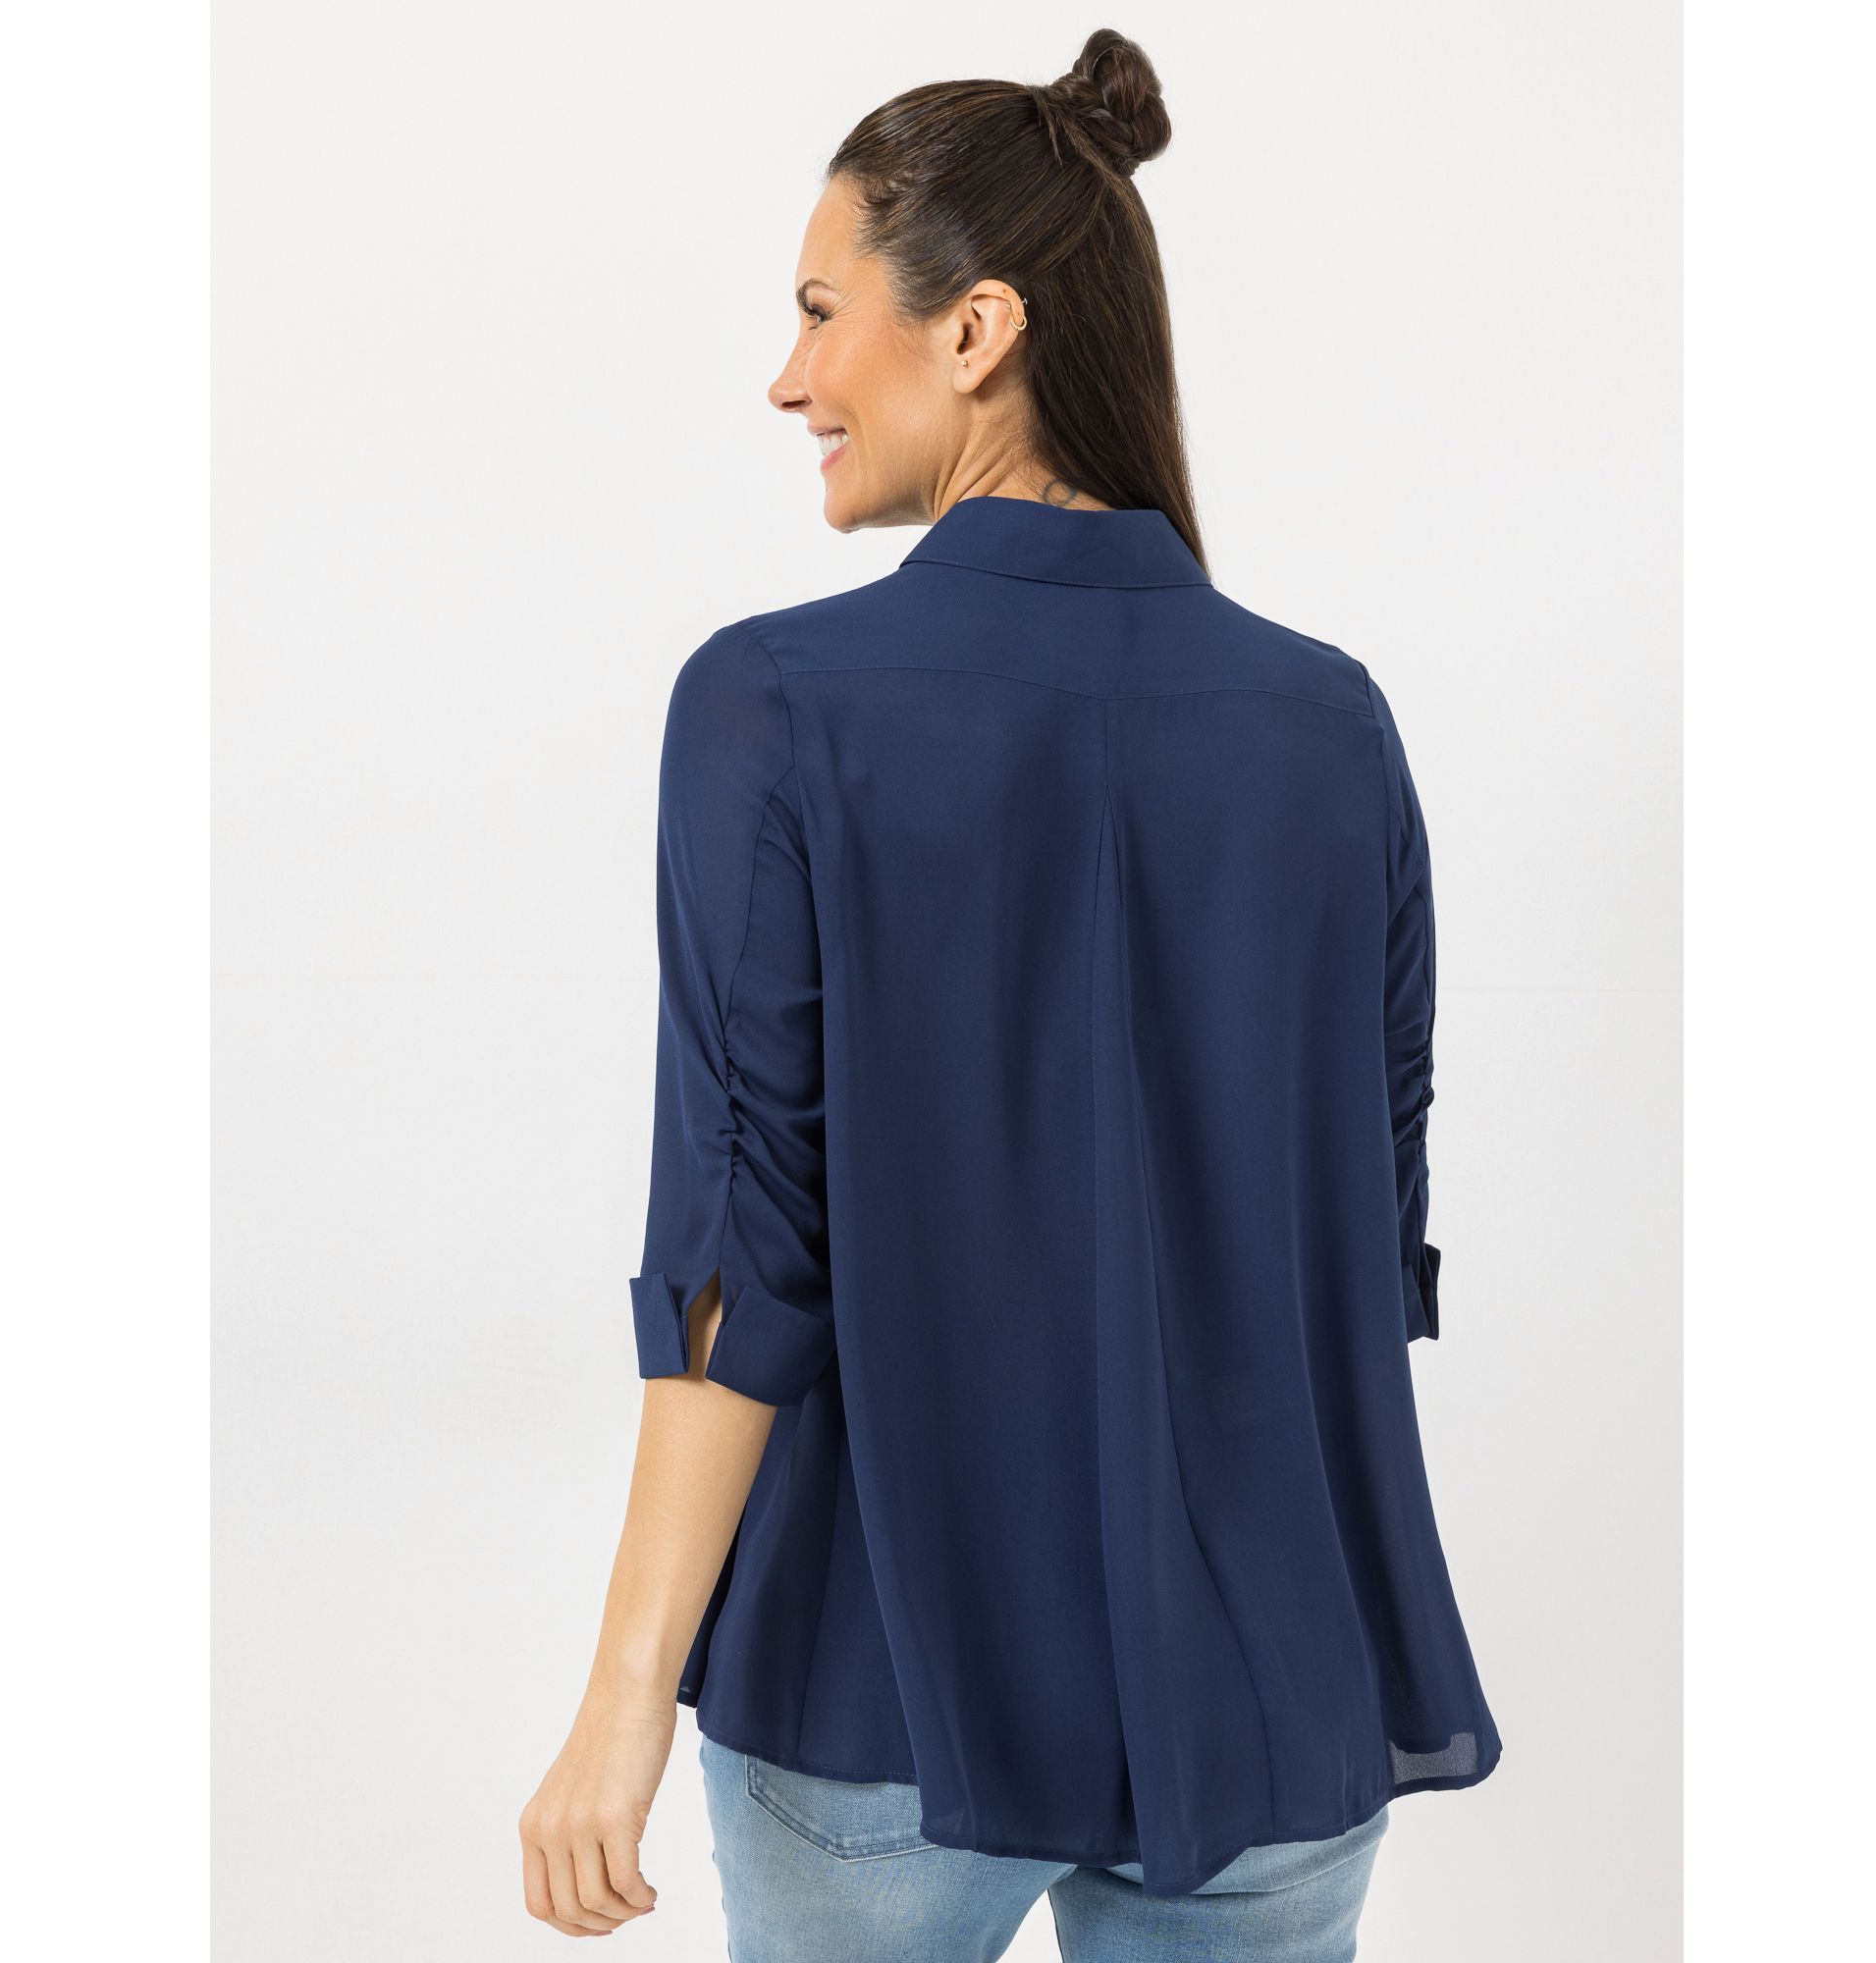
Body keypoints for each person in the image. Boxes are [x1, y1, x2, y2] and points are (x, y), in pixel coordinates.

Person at [519, 27, 1500, 1960]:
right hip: (1269, 1685)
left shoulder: (774, 708)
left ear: (974, 331)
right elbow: (1359, 1239)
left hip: (883, 1683)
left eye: (820, 312)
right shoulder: (1331, 726)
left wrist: (622, 1699)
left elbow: (742, 1259)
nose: (789, 377)